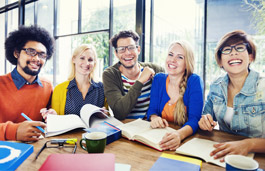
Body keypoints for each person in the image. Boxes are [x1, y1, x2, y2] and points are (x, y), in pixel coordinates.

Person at [198, 30, 265, 161]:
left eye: (240, 48)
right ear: (220, 61)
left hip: (257, 159)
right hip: (223, 153)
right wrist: (204, 122)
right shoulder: (216, 86)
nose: (233, 53)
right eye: (227, 50)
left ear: (250, 56)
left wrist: (248, 144)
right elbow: (205, 117)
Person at [146, 40, 204, 151]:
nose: (172, 60)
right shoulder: (158, 79)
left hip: (186, 142)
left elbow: (195, 119)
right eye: (170, 54)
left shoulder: (194, 81)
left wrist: (179, 135)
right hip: (159, 139)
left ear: (187, 63)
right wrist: (154, 118)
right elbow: (152, 109)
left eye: (180, 57)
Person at [0, 25, 54, 141]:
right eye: (30, 52)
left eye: (42, 54)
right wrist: (14, 131)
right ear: (16, 53)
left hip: (36, 150)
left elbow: (49, 120)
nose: (36, 59)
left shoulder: (47, 86)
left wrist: (53, 117)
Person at [103, 30, 164, 120]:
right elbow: (119, 112)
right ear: (116, 53)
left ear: (138, 49)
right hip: (126, 130)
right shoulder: (110, 74)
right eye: (121, 49)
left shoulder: (156, 70)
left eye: (131, 47)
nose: (127, 53)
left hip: (152, 127)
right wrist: (140, 81)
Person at [47, 44, 105, 116]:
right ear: (73, 59)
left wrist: (105, 115)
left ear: (94, 63)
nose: (86, 63)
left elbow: (107, 118)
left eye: (90, 60)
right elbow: (56, 120)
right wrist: (52, 115)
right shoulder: (59, 89)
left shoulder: (102, 88)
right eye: (82, 58)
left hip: (95, 127)